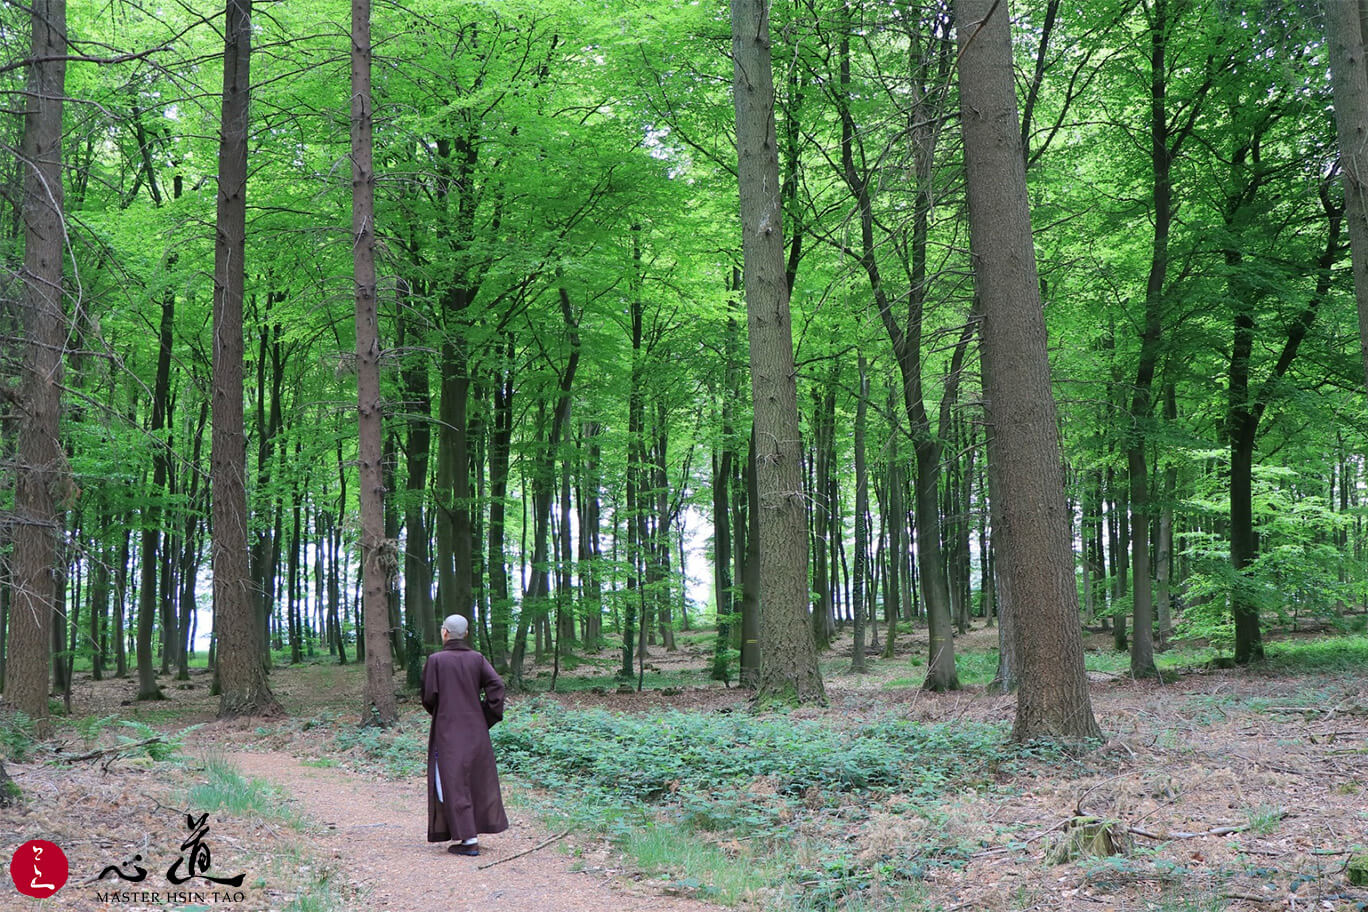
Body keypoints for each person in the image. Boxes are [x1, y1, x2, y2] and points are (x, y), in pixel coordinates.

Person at [421, 614, 509, 856]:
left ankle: (469, 840)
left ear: (444, 633)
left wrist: (442, 714)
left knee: (452, 780)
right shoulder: (477, 659)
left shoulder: (436, 661)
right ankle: (470, 833)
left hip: (448, 730)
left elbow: (428, 696)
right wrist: (484, 717)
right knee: (474, 780)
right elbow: (497, 688)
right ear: (466, 634)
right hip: (475, 730)